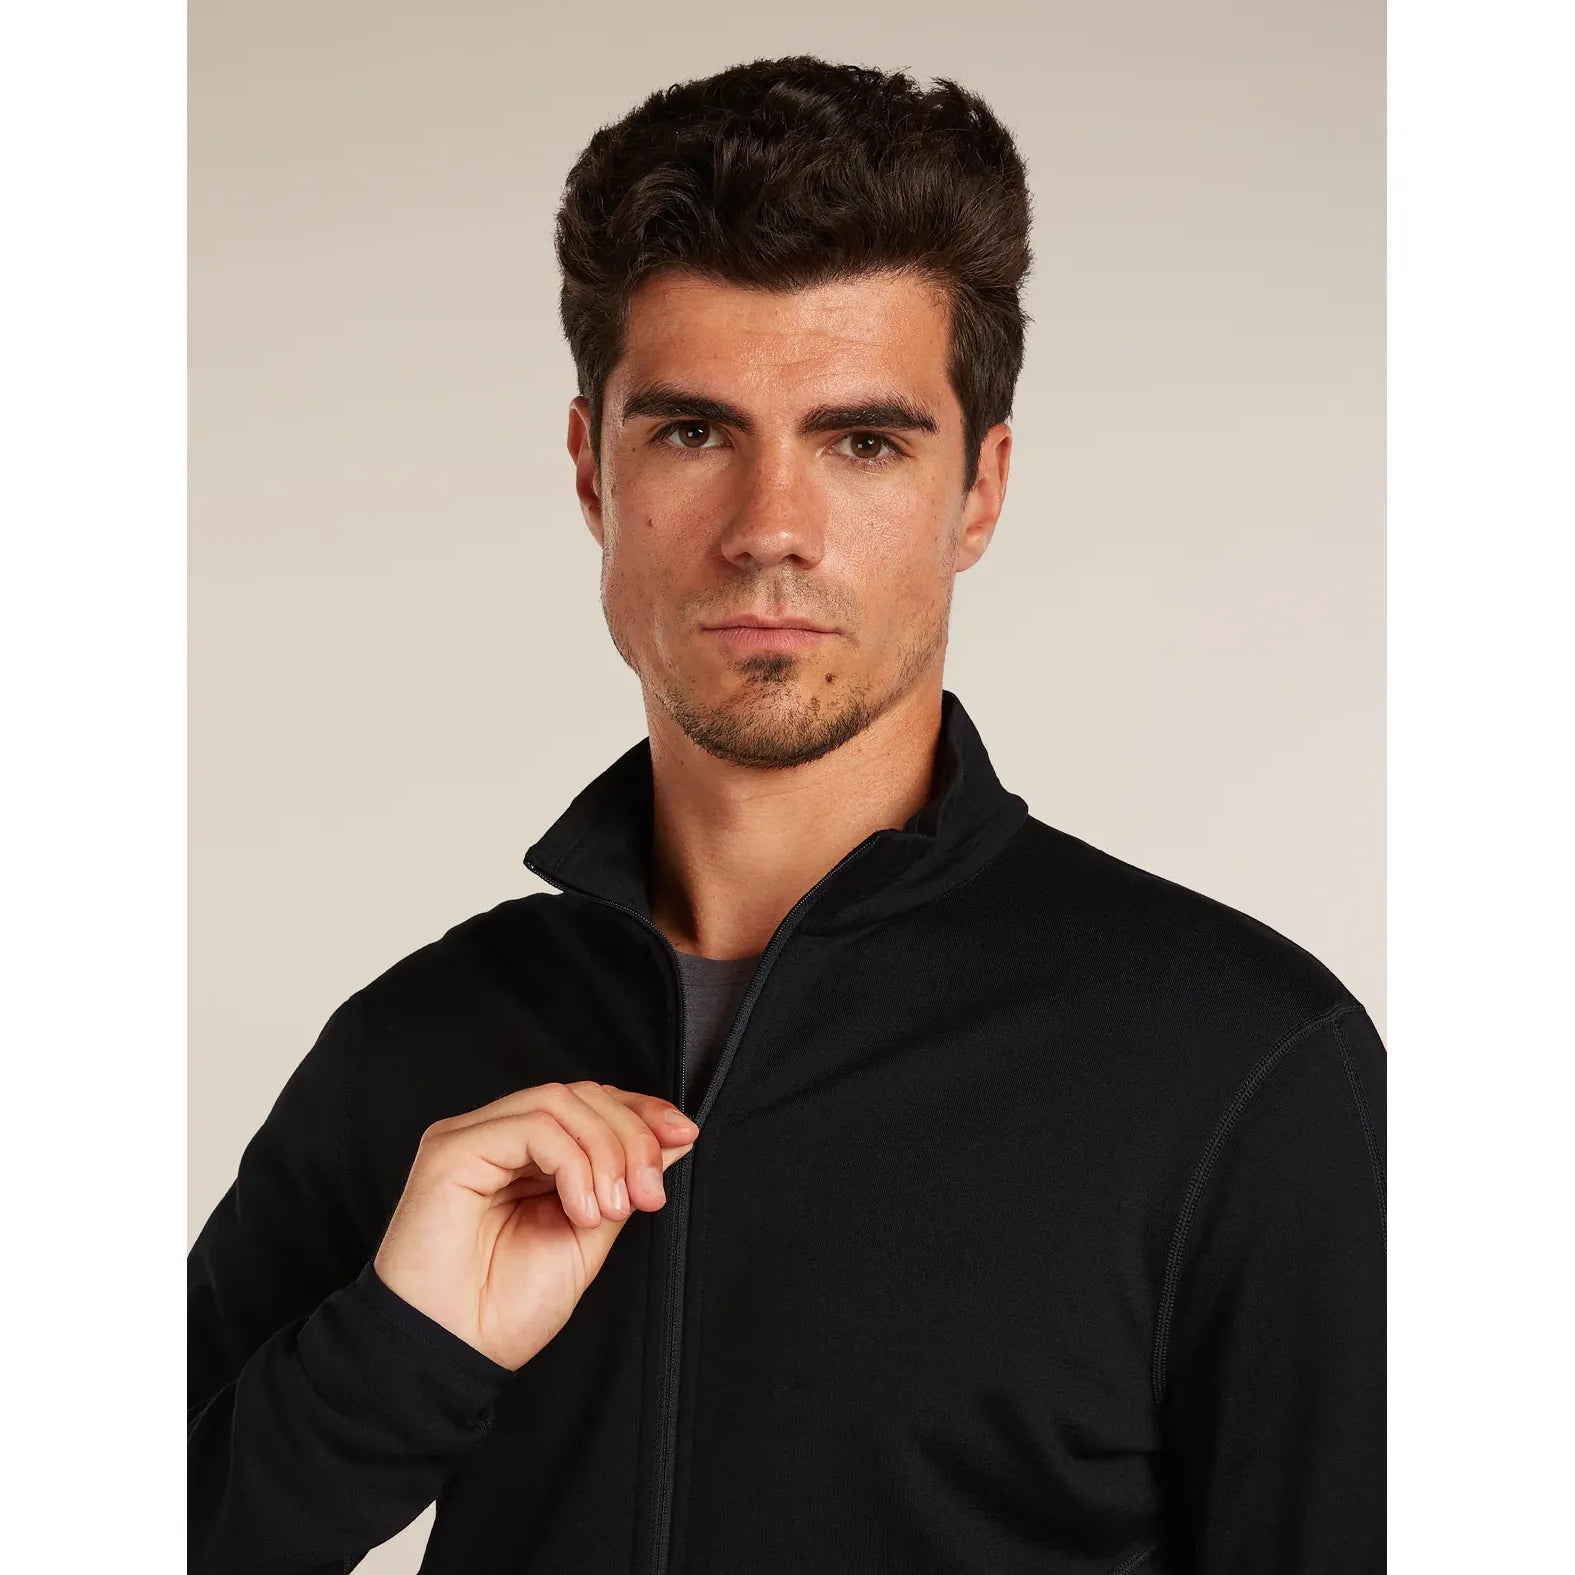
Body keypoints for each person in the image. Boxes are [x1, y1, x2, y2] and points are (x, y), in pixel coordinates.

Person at [188, 56, 1385, 1575]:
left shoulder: (1244, 1069)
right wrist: (399, 1354)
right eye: (694, 433)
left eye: (863, 442)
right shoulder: (424, 1051)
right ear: (591, 470)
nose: (771, 531)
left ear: (980, 491)